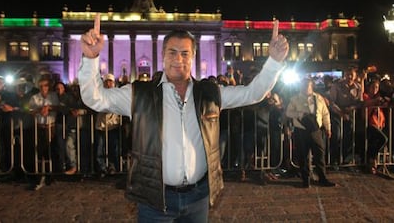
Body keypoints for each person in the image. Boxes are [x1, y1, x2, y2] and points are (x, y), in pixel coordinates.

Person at [78, 14, 288, 222]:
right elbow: (95, 99)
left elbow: (252, 93)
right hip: (155, 199)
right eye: (173, 52)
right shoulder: (139, 94)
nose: (178, 59)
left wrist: (274, 62)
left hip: (198, 197)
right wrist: (90, 59)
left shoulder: (210, 94)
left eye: (185, 53)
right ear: (163, 55)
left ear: (193, 56)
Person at [285, 78, 336, 188]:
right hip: (301, 130)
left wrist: (328, 128)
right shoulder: (294, 99)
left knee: (319, 154)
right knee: (303, 156)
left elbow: (325, 113)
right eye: (303, 85)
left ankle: (322, 178)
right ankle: (305, 180)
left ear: (311, 86)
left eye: (307, 85)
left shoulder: (319, 98)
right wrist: (299, 114)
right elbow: (288, 112)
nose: (305, 87)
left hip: (315, 130)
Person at [362, 78, 389, 174]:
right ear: (368, 87)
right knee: (384, 139)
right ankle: (372, 159)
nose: (374, 89)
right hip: (370, 124)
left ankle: (371, 164)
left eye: (376, 87)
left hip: (379, 124)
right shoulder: (365, 96)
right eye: (373, 87)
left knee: (373, 144)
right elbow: (365, 103)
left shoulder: (379, 98)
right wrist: (376, 101)